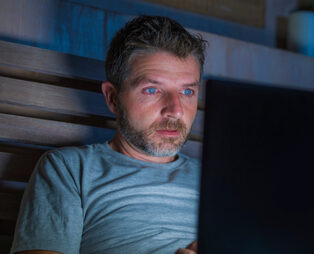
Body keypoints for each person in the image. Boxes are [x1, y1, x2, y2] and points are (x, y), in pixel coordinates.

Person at [10, 15, 207, 254]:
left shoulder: (215, 181)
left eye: (187, 91)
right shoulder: (70, 170)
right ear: (113, 98)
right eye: (152, 89)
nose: (175, 110)